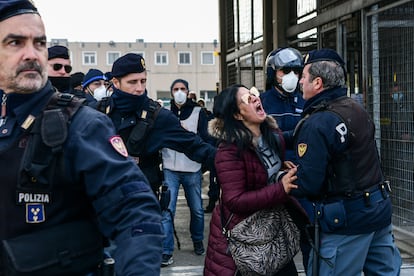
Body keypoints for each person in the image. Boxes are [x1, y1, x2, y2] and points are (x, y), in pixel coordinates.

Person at [0, 1, 163, 275]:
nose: (32, 54)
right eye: (15, 42)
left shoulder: (81, 125)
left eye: (39, 43)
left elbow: (135, 214)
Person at [289, 48, 402, 275]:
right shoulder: (356, 108)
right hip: (378, 212)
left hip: (347, 223)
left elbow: (309, 184)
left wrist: (285, 179)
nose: (300, 81)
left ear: (318, 83)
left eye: (303, 76)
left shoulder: (317, 123)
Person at [203, 84, 309, 276]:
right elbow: (235, 200)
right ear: (237, 115)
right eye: (246, 99)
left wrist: (278, 168)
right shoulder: (229, 151)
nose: (254, 98)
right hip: (245, 237)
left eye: (253, 93)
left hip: (271, 233)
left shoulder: (273, 136)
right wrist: (280, 188)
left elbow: (260, 172)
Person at [102, 53, 216, 198]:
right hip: (104, 201)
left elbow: (194, 146)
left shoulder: (158, 116)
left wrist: (231, 162)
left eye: (143, 81)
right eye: (132, 82)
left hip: (142, 202)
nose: (139, 88)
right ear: (116, 83)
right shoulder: (98, 112)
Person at [260, 47, 313, 271]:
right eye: (285, 71)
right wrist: (280, 160)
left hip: (305, 180)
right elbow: (259, 140)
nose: (291, 76)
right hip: (276, 181)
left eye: (296, 71)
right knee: (276, 241)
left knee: (310, 236)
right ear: (273, 73)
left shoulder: (306, 100)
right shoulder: (262, 102)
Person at [160, 79, 210, 266]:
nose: (179, 92)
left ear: (188, 91)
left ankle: (197, 239)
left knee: (197, 210)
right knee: (167, 210)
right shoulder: (164, 114)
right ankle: (166, 250)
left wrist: (203, 161)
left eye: (182, 89)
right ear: (171, 92)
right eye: (175, 89)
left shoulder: (198, 113)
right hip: (170, 169)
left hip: (192, 169)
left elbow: (205, 138)